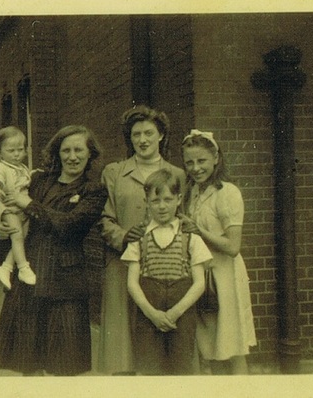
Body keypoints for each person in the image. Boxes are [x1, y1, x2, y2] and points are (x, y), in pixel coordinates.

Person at [0, 125, 108, 376]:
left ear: (90, 154)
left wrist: (30, 205)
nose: (72, 156)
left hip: (66, 286)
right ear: (58, 153)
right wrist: (3, 227)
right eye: (66, 150)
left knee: (65, 367)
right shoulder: (39, 180)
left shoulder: (93, 190)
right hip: (30, 279)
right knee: (28, 365)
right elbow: (13, 212)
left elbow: (69, 226)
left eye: (79, 150)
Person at [98, 105, 186, 375]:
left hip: (165, 269)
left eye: (149, 133)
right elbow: (104, 219)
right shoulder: (115, 172)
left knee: (158, 347)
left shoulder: (177, 174)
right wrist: (124, 236)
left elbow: (184, 221)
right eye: (136, 134)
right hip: (121, 266)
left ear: (161, 135)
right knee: (121, 349)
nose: (142, 140)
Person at [121, 168, 212, 375]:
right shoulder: (139, 237)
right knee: (150, 369)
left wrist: (175, 313)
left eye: (168, 199)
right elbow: (132, 283)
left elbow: (199, 283)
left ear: (179, 199)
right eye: (155, 201)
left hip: (182, 314)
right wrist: (152, 314)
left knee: (181, 369)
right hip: (148, 315)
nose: (162, 206)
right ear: (147, 201)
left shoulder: (190, 236)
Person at [180, 129, 257, 375]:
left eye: (201, 161)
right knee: (207, 349)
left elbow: (233, 247)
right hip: (202, 276)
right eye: (189, 162)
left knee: (232, 347)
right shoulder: (192, 192)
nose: (195, 168)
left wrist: (199, 230)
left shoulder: (228, 193)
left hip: (225, 278)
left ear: (216, 158)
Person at [0, 126, 36, 290]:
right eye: (11, 150)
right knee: (17, 233)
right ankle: (23, 268)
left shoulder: (21, 167)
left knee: (23, 235)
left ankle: (6, 267)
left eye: (20, 150)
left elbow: (25, 181)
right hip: (5, 206)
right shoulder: (0, 167)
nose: (16, 154)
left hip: (20, 209)